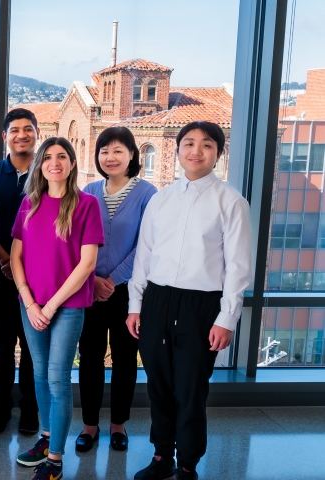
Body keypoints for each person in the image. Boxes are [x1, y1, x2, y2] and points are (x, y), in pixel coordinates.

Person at [128, 121, 250, 480]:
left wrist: (227, 318)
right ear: (178, 150)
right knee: (159, 387)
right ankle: (162, 456)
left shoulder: (231, 202)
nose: (197, 150)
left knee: (191, 389)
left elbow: (238, 266)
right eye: (189, 143)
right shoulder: (160, 199)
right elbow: (144, 258)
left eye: (207, 145)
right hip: (157, 301)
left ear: (218, 154)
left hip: (202, 306)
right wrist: (135, 306)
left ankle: (187, 465)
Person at [11, 138, 104, 480]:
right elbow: (16, 256)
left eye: (61, 156)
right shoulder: (29, 204)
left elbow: (87, 264)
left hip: (67, 306)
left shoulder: (86, 204)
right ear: (40, 165)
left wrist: (49, 306)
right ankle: (46, 437)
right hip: (31, 305)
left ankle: (55, 459)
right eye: (48, 157)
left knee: (58, 378)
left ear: (72, 163)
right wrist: (29, 300)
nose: (54, 162)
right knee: (38, 373)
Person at [75, 127, 156, 454]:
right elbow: (76, 239)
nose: (110, 157)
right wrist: (93, 279)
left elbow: (147, 245)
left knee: (125, 359)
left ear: (132, 155)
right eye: (104, 151)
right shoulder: (89, 190)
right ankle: (89, 425)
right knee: (90, 357)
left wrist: (115, 278)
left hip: (129, 293)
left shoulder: (148, 194)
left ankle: (119, 424)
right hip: (89, 288)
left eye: (118, 150)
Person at [0, 108, 41, 435]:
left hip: (40, 280)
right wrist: (6, 262)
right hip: (0, 279)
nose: (21, 135)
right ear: (4, 137)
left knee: (32, 348)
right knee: (1, 347)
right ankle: (0, 407)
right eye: (15, 130)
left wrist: (27, 269)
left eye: (28, 129)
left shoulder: (48, 174)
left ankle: (30, 409)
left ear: (36, 134)